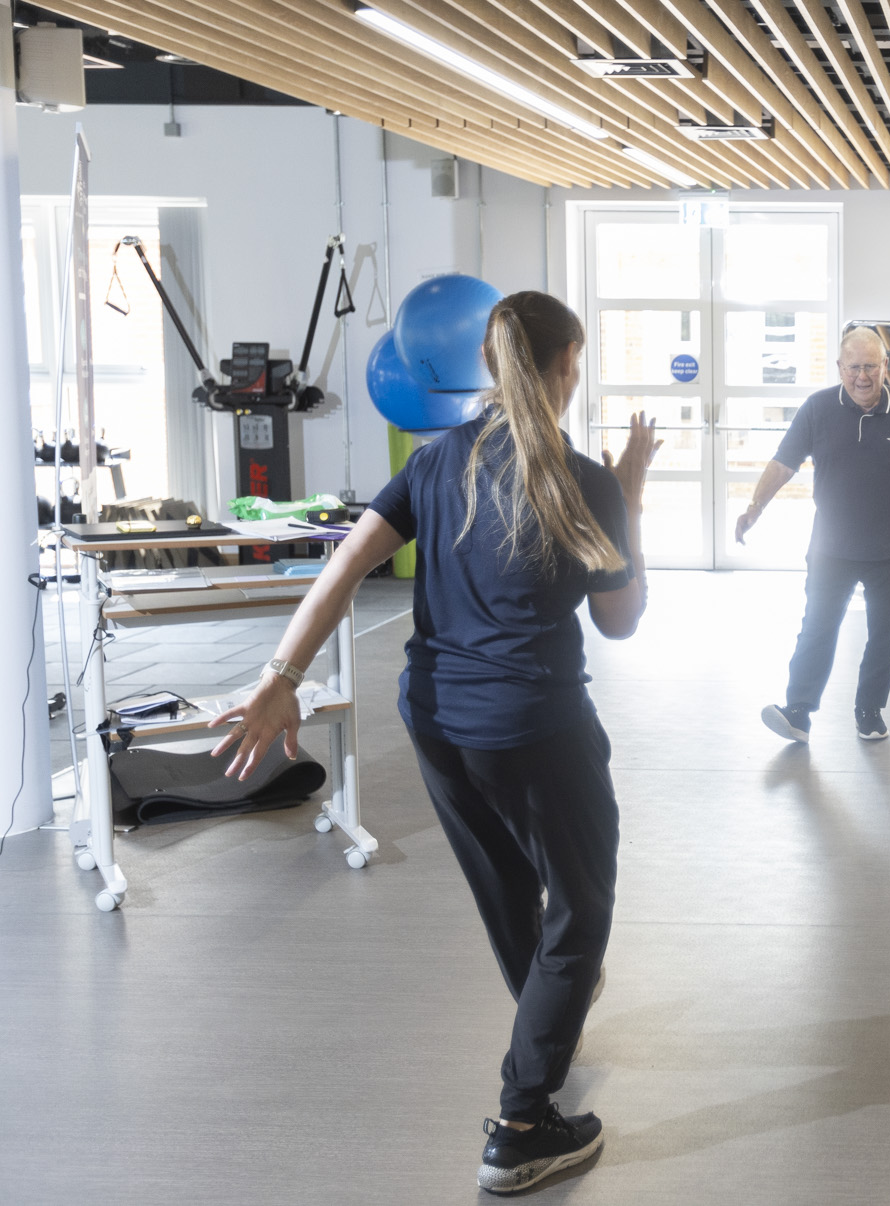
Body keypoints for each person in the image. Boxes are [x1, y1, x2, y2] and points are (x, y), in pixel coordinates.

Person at [212, 292, 659, 1194]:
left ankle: (546, 1016)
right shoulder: (588, 480)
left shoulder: (435, 460)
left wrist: (281, 676)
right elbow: (621, 623)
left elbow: (345, 563)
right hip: (536, 724)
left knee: (507, 889)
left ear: (494, 365)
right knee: (580, 912)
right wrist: (631, 494)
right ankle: (523, 1123)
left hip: (438, 722)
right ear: (568, 367)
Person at [738, 325, 890, 741]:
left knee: (884, 634)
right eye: (854, 368)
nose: (863, 377)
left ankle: (869, 710)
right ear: (840, 368)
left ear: (885, 367)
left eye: (871, 367)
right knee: (818, 627)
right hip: (832, 548)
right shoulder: (817, 409)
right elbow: (783, 463)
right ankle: (798, 713)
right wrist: (755, 507)